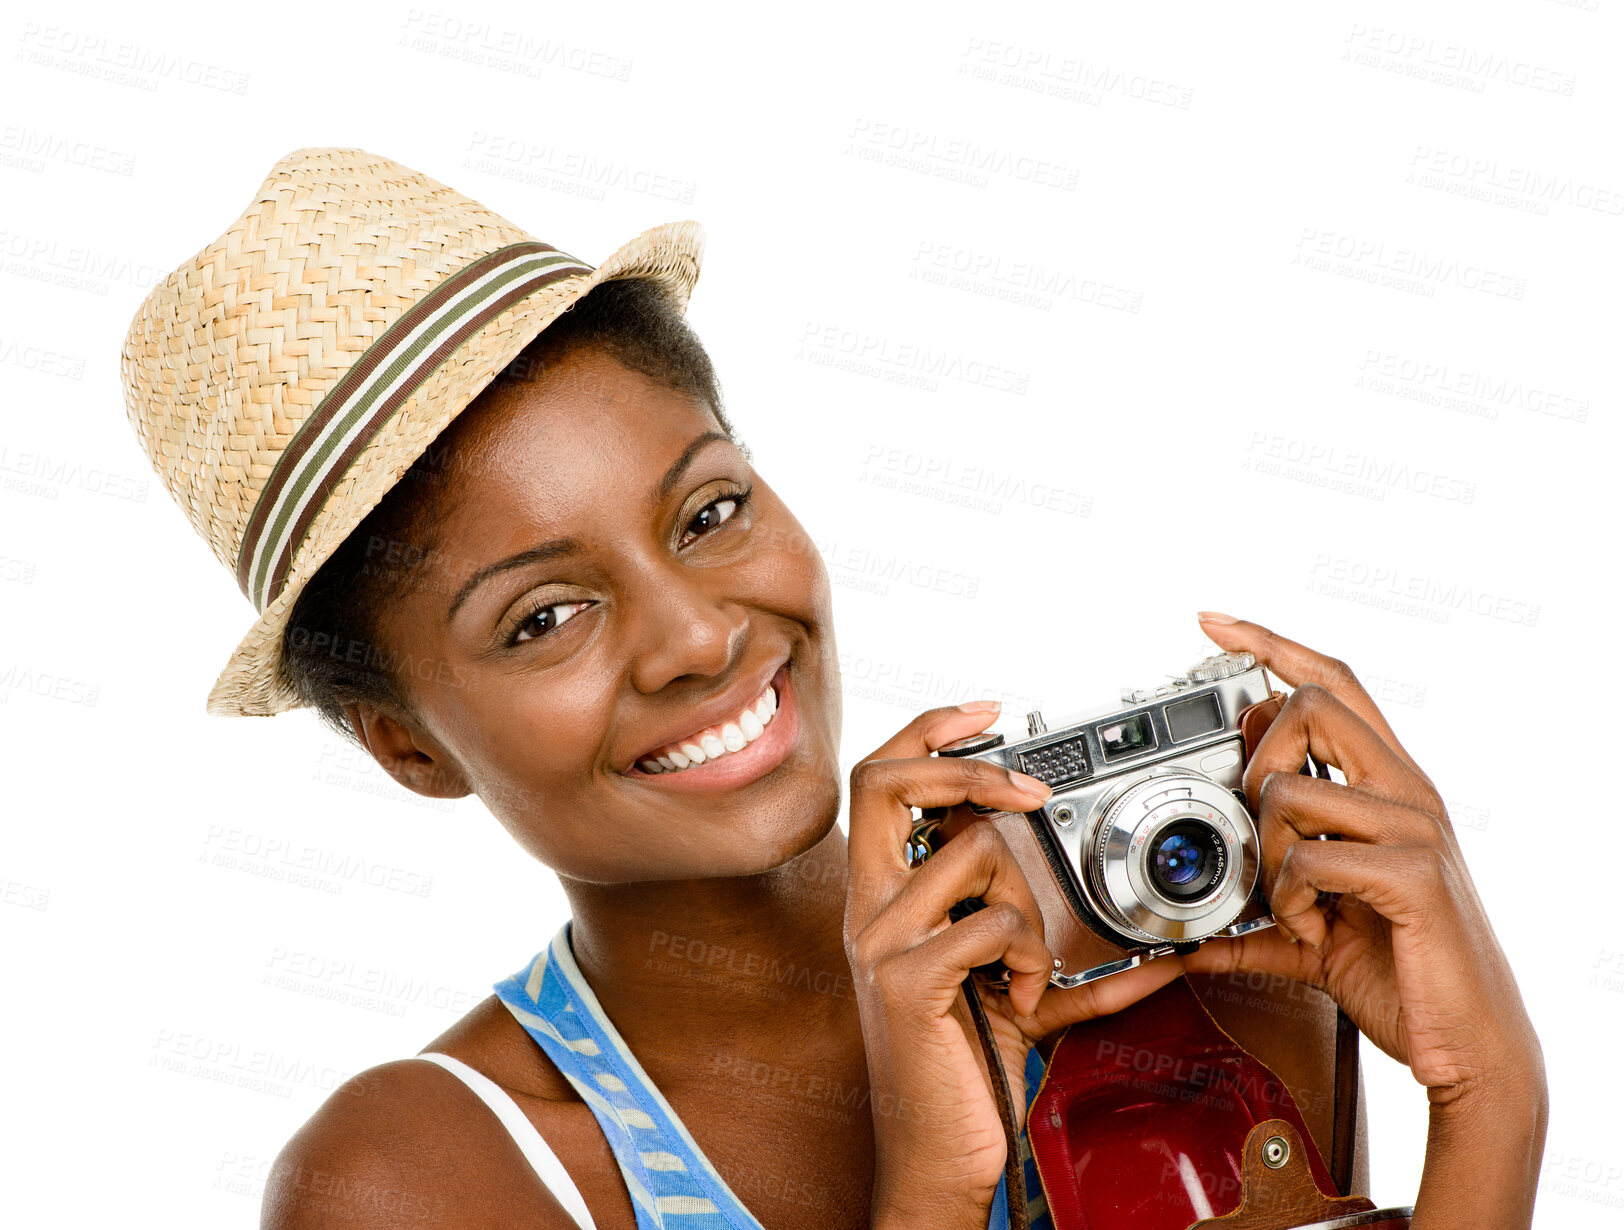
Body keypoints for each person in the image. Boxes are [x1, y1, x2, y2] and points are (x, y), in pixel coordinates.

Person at [122, 149, 1546, 1230]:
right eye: (544, 615)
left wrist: (1489, 1106)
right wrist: (932, 1177)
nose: (694, 635)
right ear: (405, 747)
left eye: (707, 511)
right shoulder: (428, 1173)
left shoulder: (1163, 927)